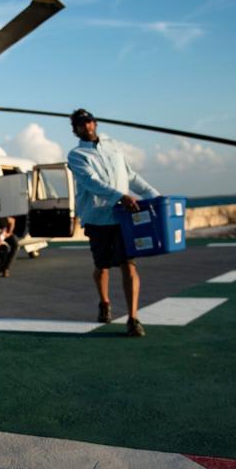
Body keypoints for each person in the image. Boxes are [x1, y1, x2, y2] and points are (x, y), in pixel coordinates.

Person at [67, 108, 159, 337]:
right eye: (80, 124)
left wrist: (154, 196)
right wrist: (121, 197)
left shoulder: (114, 147)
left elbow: (129, 175)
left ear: (95, 123)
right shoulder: (77, 155)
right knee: (102, 266)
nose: (86, 126)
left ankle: (133, 318)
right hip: (98, 218)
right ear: (75, 129)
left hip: (123, 218)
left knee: (129, 265)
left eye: (88, 121)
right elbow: (91, 182)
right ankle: (105, 302)